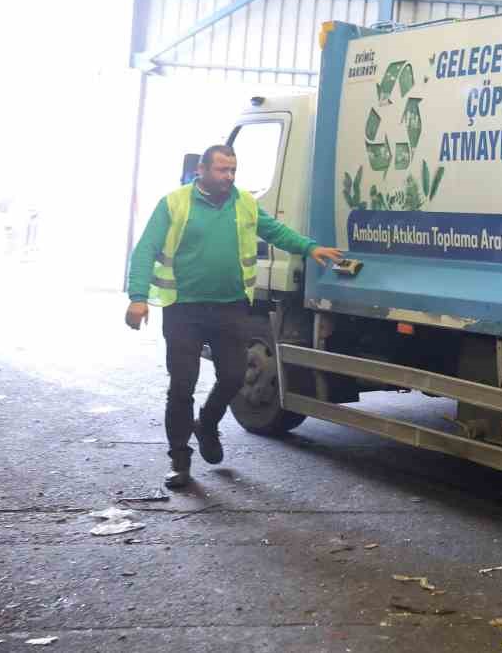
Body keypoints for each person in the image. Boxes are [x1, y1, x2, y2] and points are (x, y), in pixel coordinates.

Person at [125, 144, 343, 488]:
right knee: (181, 386)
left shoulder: (244, 203)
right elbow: (146, 249)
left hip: (230, 307)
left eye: (232, 171)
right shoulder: (175, 203)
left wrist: (308, 247)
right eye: (221, 170)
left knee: (233, 376)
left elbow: (275, 231)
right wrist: (138, 297)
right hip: (183, 309)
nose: (228, 177)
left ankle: (208, 423)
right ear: (201, 170)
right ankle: (180, 461)